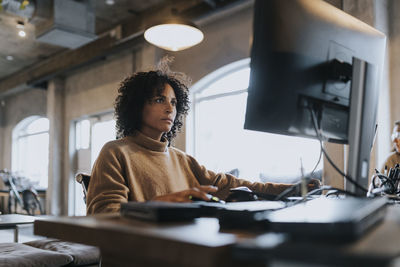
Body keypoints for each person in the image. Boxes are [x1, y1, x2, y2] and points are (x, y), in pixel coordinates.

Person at [86, 66, 315, 214]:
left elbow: (231, 185)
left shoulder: (182, 160)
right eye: (159, 100)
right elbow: (103, 215)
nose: (169, 108)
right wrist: (161, 204)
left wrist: (293, 190)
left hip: (178, 252)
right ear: (136, 106)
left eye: (174, 103)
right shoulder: (115, 152)